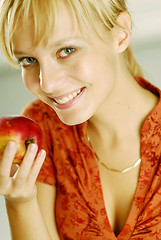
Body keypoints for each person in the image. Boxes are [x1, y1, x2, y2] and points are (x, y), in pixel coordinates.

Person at [0, 0, 161, 239]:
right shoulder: (43, 125)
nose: (47, 84)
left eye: (66, 50)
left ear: (120, 34)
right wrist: (21, 201)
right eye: (28, 60)